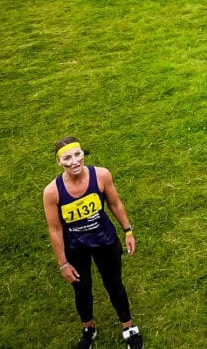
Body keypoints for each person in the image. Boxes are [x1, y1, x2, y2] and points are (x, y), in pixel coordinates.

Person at [41, 138, 144, 349]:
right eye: (67, 158)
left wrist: (128, 231)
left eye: (78, 154)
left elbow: (115, 203)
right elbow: (55, 229)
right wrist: (63, 263)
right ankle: (88, 329)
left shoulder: (101, 175)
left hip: (105, 241)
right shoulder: (52, 192)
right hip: (76, 248)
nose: (75, 161)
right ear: (59, 162)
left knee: (114, 285)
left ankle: (129, 327)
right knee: (82, 290)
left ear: (83, 154)